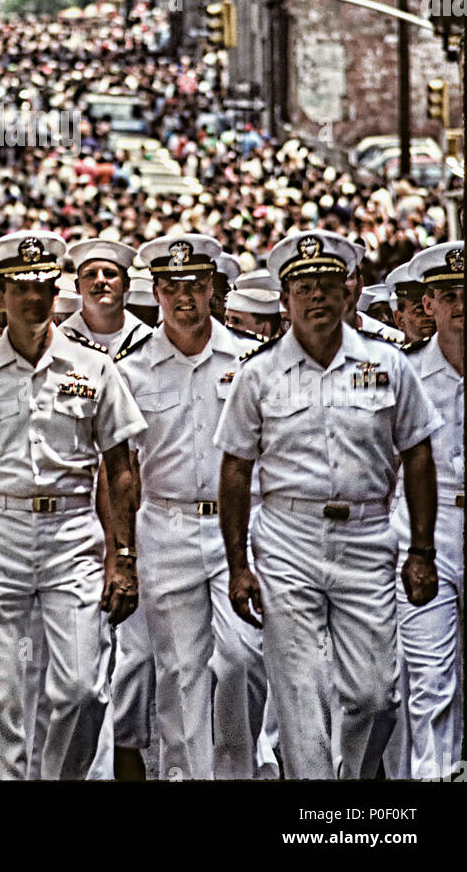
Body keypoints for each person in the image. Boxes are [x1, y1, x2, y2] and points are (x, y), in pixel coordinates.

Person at [216, 229, 441, 780]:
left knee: (376, 695)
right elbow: (235, 470)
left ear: (348, 292)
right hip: (287, 539)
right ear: (284, 298)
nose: (316, 297)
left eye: (326, 285)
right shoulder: (258, 373)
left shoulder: (389, 364)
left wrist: (422, 550)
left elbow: (417, 454)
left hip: (367, 539)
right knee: (300, 690)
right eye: (302, 287)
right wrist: (239, 564)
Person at [0, 231, 146, 780]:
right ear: (0, 294)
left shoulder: (93, 368)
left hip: (72, 534)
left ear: (56, 289)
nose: (33, 300)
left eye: (43, 287)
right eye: (20, 289)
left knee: (81, 689)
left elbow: (120, 468)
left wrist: (124, 555)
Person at [116, 233, 272, 780]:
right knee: (180, 669)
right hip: (166, 523)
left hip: (240, 526)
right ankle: (185, 775)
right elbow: (122, 470)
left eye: (196, 286)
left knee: (242, 662)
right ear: (156, 293)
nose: (185, 297)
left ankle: (237, 772)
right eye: (172, 287)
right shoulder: (132, 370)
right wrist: (123, 550)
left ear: (213, 290)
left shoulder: (249, 361)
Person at [63, 238, 154, 781]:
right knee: (87, 656)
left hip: (147, 511)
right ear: (76, 287)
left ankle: (136, 753)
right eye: (91, 275)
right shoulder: (61, 345)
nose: (101, 283)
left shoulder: (149, 343)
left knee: (141, 655)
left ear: (126, 284)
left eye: (111, 275)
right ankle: (96, 769)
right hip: (76, 516)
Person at [389, 242, 463, 780]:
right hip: (426, 531)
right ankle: (430, 776)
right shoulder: (405, 374)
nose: (460, 304)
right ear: (428, 305)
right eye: (448, 295)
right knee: (430, 676)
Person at [386, 262, 437, 344]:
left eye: (433, 307)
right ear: (399, 319)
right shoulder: (392, 356)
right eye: (420, 308)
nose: (430, 316)